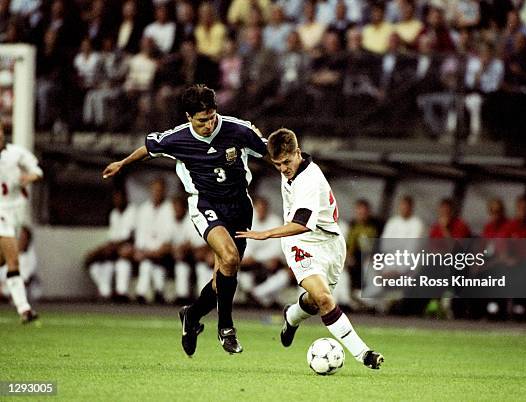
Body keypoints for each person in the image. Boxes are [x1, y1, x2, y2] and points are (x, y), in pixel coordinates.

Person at [103, 85, 267, 356]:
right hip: (205, 204)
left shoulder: (238, 130)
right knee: (229, 258)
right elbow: (148, 147)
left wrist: (294, 165)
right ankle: (226, 328)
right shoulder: (177, 138)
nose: (208, 124)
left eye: (212, 117)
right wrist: (122, 163)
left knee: (222, 278)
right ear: (189, 117)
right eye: (202, 120)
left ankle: (191, 316)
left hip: (239, 206)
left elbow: (268, 151)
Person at [236, 128, 384, 370]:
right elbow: (267, 145)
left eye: (286, 162)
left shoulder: (309, 180)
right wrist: (249, 133)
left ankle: (291, 316)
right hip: (300, 243)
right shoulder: (289, 157)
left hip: (329, 243)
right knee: (325, 299)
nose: (283, 169)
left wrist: (265, 234)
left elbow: (301, 223)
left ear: (297, 153)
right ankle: (364, 354)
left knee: (316, 303)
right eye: (277, 165)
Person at [0, 119, 42, 323]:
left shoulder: (16, 154)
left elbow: (37, 170)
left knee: (3, 260)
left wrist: (30, 177)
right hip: (1, 215)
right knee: (13, 259)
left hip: (14, 213)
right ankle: (24, 309)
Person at [85, 188, 136, 302]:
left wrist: (109, 248)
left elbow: (129, 237)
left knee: (123, 263)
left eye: (120, 198)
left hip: (127, 249)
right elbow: (112, 238)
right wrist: (100, 250)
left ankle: (121, 293)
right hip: (113, 251)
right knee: (96, 265)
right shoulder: (113, 214)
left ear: (125, 198)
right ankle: (106, 293)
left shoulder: (132, 211)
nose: (117, 200)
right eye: (115, 198)